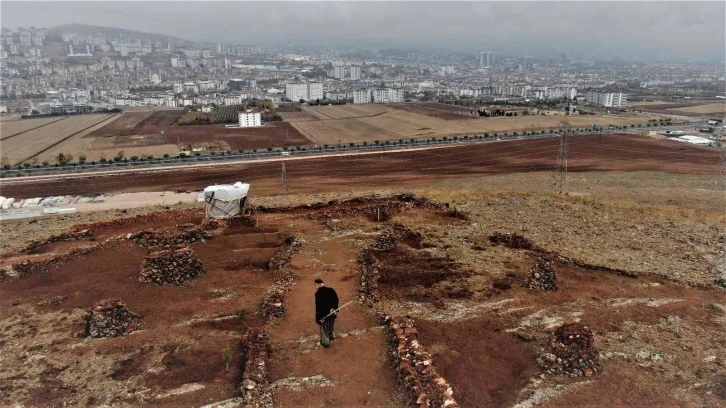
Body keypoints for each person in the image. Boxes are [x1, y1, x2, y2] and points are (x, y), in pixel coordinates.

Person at [314, 278, 339, 348]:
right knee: (331, 326)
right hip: (332, 312)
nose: (315, 286)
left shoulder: (318, 294)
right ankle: (331, 336)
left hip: (323, 314)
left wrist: (318, 317)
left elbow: (319, 306)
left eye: (315, 285)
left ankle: (325, 342)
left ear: (318, 284)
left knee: (324, 328)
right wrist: (333, 308)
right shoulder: (331, 290)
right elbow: (336, 300)